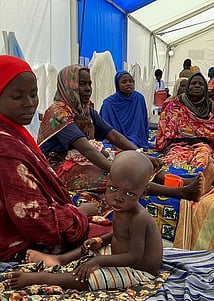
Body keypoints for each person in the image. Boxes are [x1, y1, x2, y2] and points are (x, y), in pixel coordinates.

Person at [0, 55, 110, 262]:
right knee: (121, 237)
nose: (30, 103)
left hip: (12, 231)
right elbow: (38, 223)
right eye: (18, 97)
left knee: (119, 228)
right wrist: (78, 214)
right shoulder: (2, 149)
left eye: (34, 94)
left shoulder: (5, 133)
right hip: (16, 242)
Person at [39, 65, 205, 203]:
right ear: (69, 85)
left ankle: (181, 182)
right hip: (57, 168)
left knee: (131, 161)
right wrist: (118, 169)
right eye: (82, 84)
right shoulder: (58, 113)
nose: (88, 88)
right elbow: (86, 149)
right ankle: (181, 193)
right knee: (119, 178)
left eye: (89, 83)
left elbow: (113, 134)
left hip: (80, 157)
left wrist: (141, 156)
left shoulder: (85, 109)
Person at [8, 150, 163, 291]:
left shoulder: (138, 218)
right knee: (88, 246)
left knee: (87, 277)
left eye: (129, 194)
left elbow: (134, 256)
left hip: (137, 270)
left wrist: (100, 262)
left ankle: (39, 279)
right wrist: (100, 240)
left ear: (143, 193)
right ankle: (59, 259)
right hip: (120, 256)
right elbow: (119, 233)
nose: (118, 198)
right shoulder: (122, 208)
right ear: (107, 182)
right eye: (113, 189)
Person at [156, 72, 214, 186]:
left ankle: (197, 182)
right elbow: (164, 127)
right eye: (193, 83)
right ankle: (181, 182)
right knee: (173, 161)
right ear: (188, 87)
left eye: (200, 84)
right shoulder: (175, 104)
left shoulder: (209, 105)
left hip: (201, 144)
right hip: (178, 144)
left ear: (205, 88)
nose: (197, 86)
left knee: (203, 159)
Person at [100, 71, 149, 149]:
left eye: (131, 81)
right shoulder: (108, 103)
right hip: (114, 138)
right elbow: (104, 127)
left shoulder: (139, 98)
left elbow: (144, 120)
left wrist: (144, 137)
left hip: (136, 138)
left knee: (133, 145)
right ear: (117, 85)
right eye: (124, 82)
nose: (128, 84)